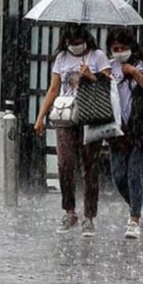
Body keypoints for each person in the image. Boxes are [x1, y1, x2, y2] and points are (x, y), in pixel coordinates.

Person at [34, 23, 111, 237]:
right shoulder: (62, 58)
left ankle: (89, 215)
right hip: (66, 115)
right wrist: (41, 117)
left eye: (78, 43)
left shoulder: (97, 56)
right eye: (71, 43)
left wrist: (91, 77)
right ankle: (69, 210)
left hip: (90, 115)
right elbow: (54, 88)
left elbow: (108, 85)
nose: (75, 47)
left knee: (89, 166)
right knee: (65, 163)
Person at [106, 28, 143, 239]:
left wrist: (133, 71)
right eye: (115, 49)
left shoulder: (141, 65)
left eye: (123, 48)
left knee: (134, 173)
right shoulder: (108, 67)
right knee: (118, 175)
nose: (119, 52)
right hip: (116, 130)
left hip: (138, 128)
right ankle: (136, 207)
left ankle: (134, 218)